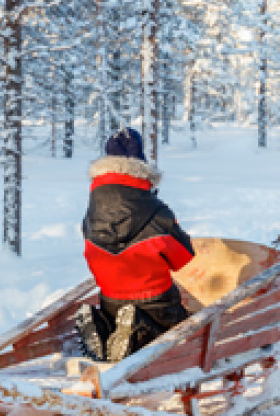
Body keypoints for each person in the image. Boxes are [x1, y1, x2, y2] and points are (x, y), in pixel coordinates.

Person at [77, 128, 196, 361]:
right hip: (158, 302)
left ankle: (103, 328)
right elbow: (183, 258)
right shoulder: (156, 212)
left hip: (110, 299)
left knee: (117, 312)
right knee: (177, 333)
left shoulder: (91, 214)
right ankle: (137, 329)